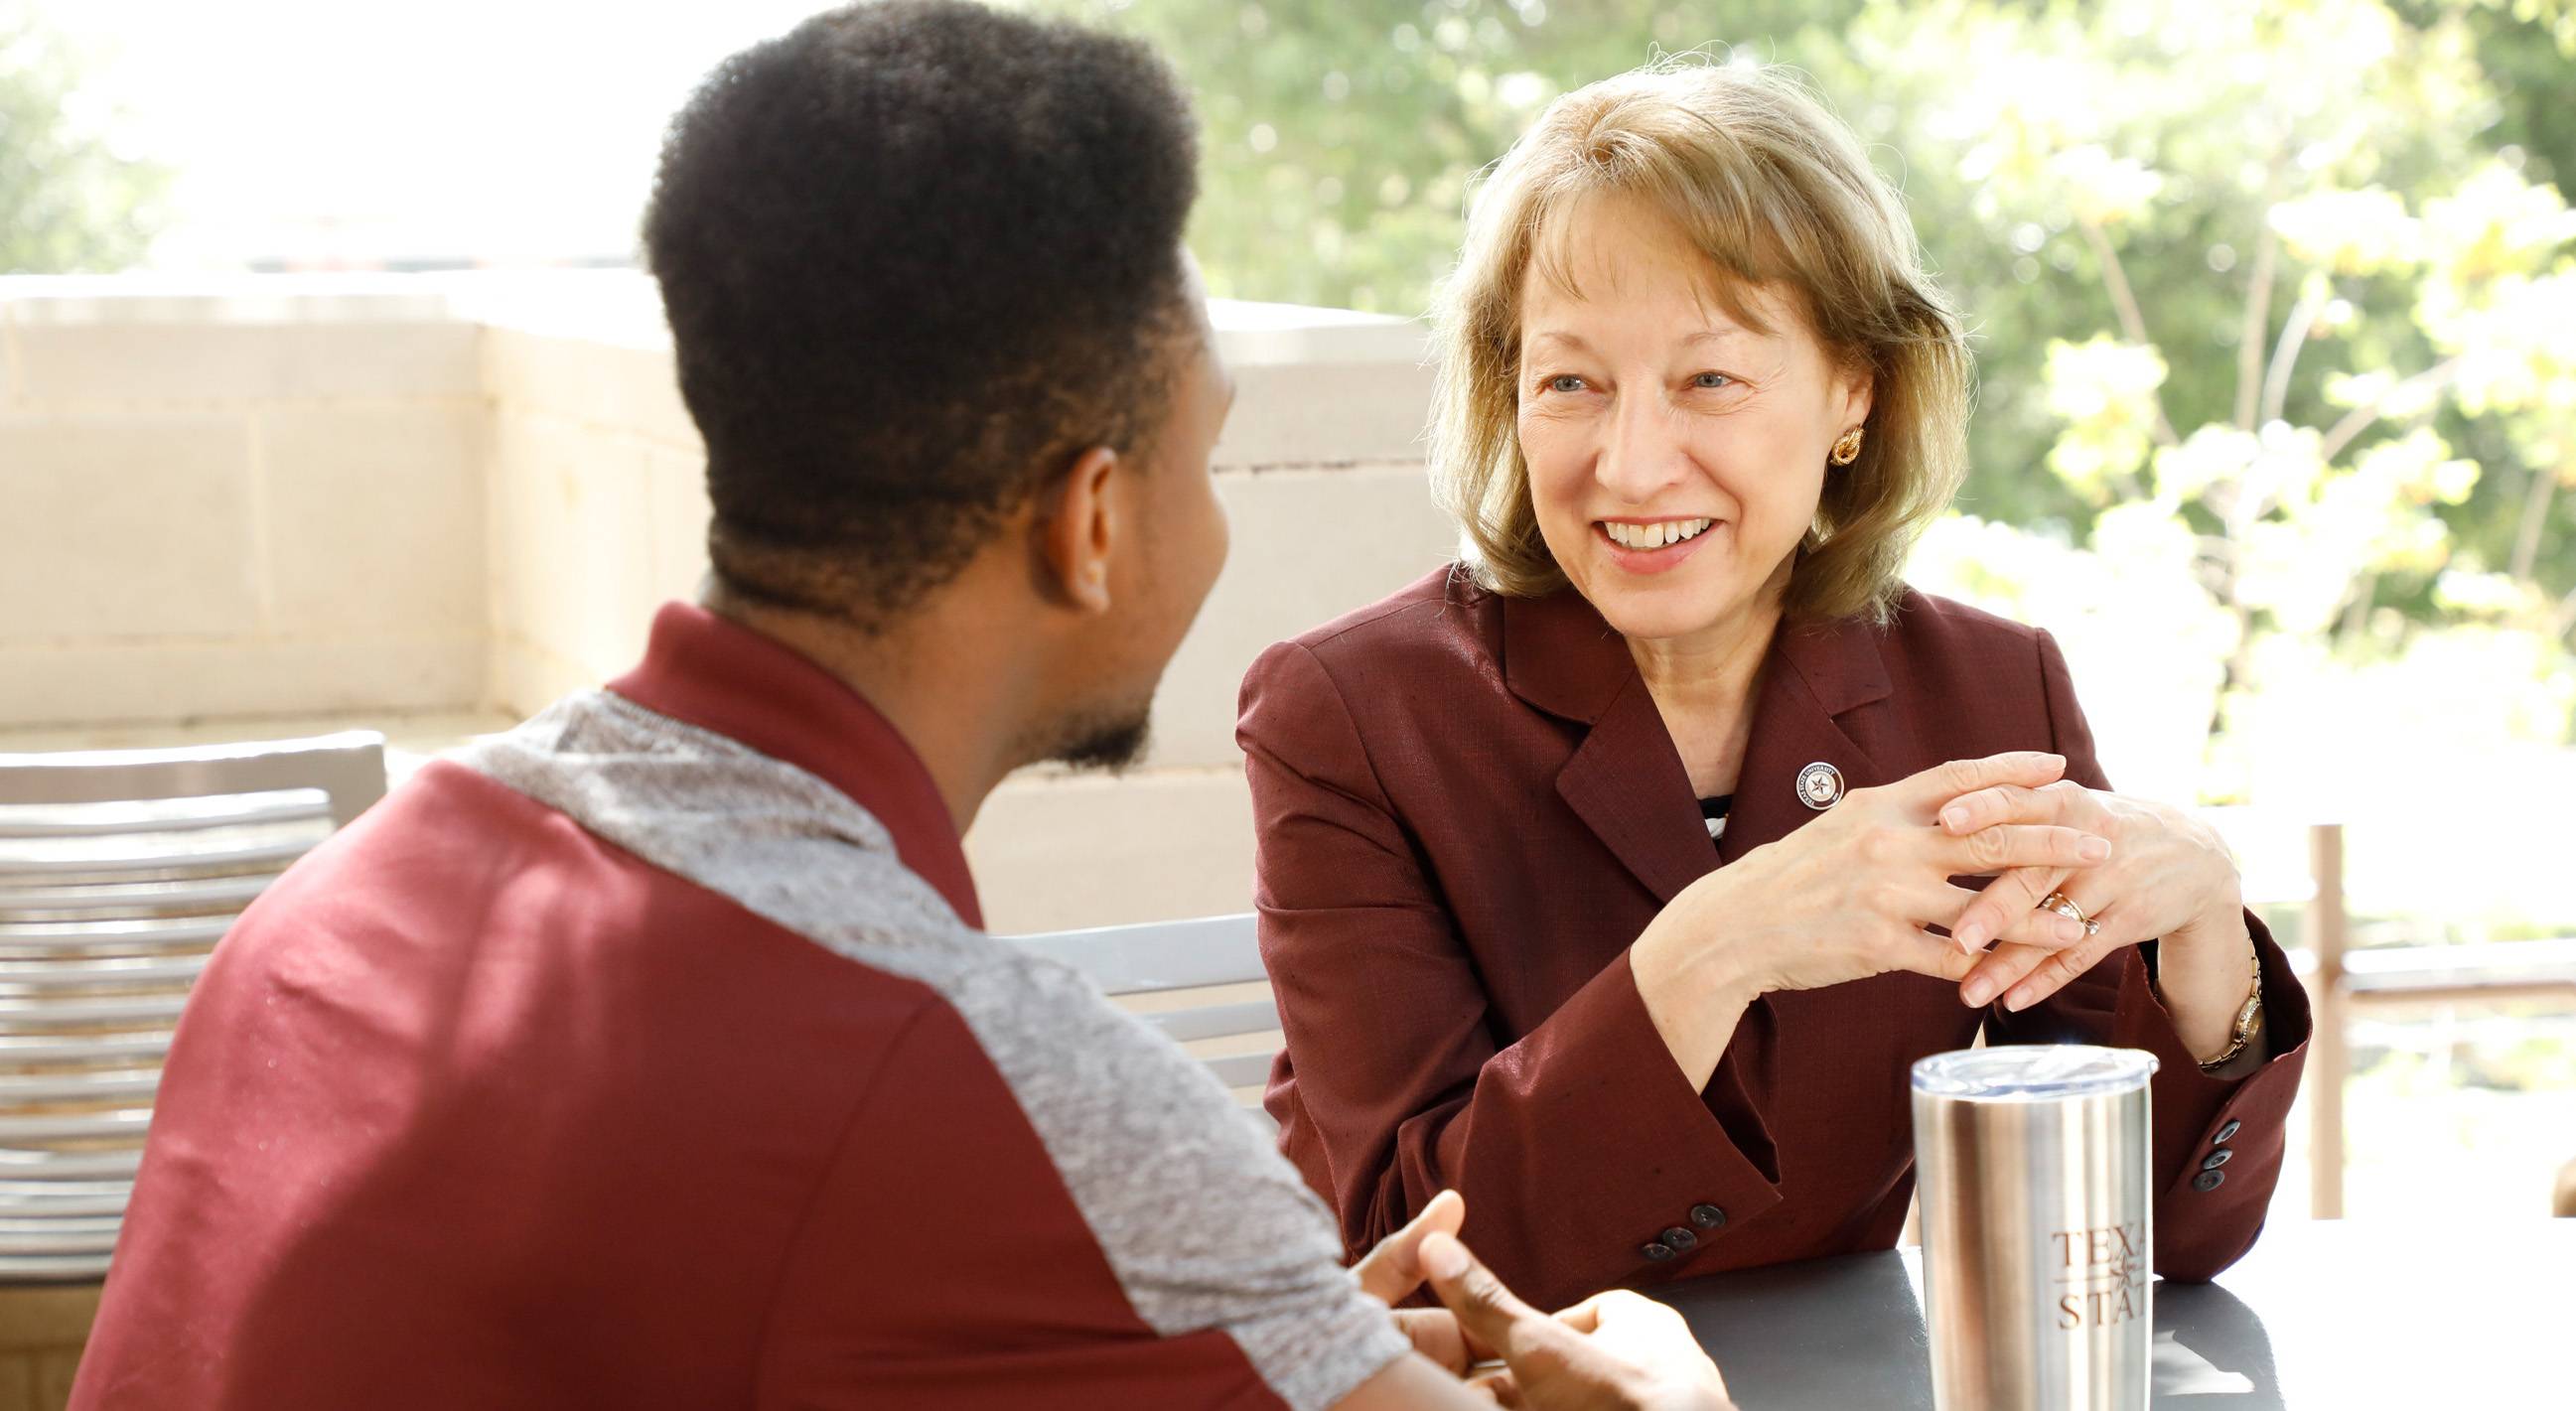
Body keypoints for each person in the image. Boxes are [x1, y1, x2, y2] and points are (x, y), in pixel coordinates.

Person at [67, 6, 1729, 1408]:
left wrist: (1258, 1325)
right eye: (1198, 455)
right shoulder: (995, 1092)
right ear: (1086, 524)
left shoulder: (331, 908)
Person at [1237, 59, 2312, 1313]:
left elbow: (2141, 1243)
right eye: (1570, 380)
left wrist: (2204, 938)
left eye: (1709, 379)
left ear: (1852, 390)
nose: (1629, 464)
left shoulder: (1982, 687)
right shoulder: (1350, 714)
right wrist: (1711, 947)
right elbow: (1411, 1254)